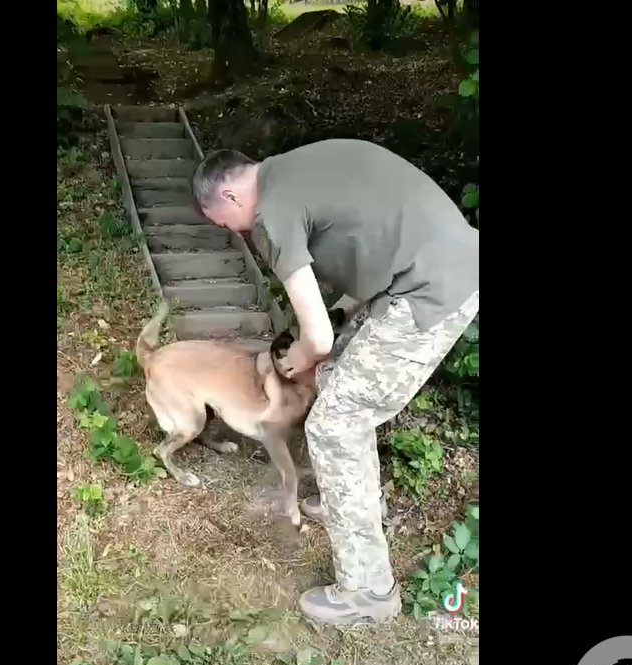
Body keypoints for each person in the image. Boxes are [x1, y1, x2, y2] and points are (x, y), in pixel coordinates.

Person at [190, 139, 479, 626]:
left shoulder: (272, 214)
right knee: (338, 381)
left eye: (223, 224)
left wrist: (290, 365)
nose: (234, 234)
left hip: (429, 290)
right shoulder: (298, 168)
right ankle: (346, 494)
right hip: (441, 267)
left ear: (232, 198)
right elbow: (368, 248)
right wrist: (334, 330)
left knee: (334, 425)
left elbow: (317, 338)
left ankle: (368, 591)